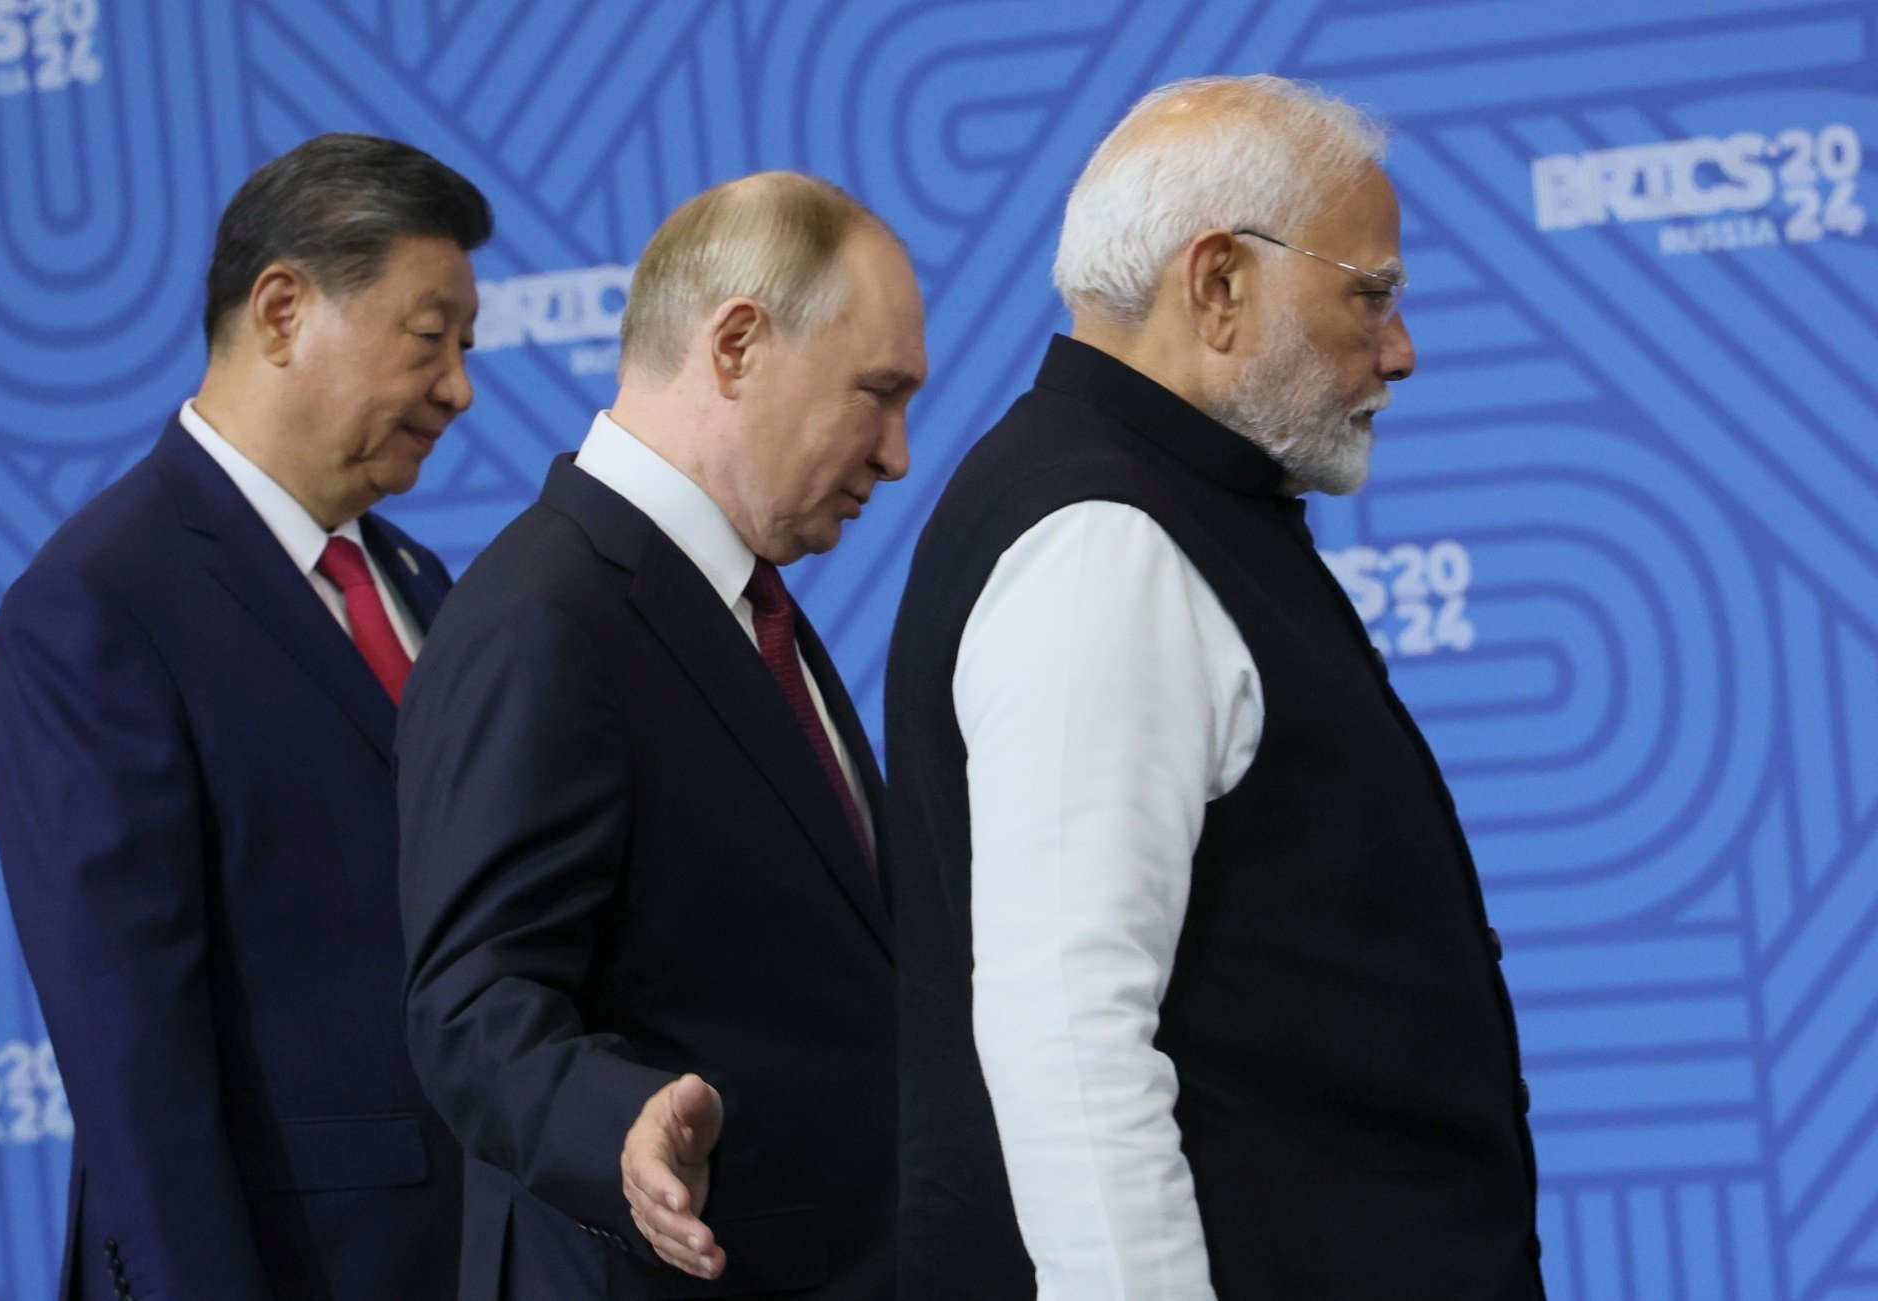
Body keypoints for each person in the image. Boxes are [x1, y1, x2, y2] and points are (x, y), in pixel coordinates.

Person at [887, 76, 1542, 1300]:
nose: (1397, 352)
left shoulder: (1163, 509)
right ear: (1221, 283)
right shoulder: (1102, 543)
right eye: (1371, 295)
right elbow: (1071, 1043)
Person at [396, 171, 924, 1300]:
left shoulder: (743, 599)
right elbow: (474, 999)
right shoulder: (543, 614)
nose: (896, 454)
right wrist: (619, 1128)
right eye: (873, 395)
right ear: (735, 345)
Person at [0, 133, 491, 1301]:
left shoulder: (424, 582)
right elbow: (131, 1056)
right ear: (281, 308)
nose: (461, 387)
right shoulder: (99, 602)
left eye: (466, 348)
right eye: (430, 339)